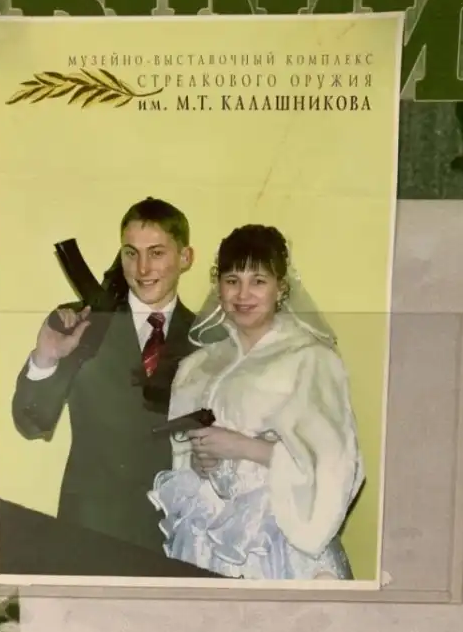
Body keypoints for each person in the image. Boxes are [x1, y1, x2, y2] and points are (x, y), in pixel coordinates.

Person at [148, 224, 365, 581]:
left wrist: (244, 447)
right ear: (218, 286)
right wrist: (201, 464)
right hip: (206, 539)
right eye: (232, 280)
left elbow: (335, 462)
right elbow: (183, 457)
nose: (243, 294)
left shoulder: (310, 359)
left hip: (277, 539)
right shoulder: (197, 366)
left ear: (281, 288)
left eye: (258, 281)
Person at [10, 197, 198, 558]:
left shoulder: (208, 339)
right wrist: (46, 357)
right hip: (90, 530)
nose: (142, 268)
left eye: (157, 253)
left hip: (174, 535)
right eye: (131, 253)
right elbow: (31, 423)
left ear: (186, 257)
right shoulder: (82, 323)